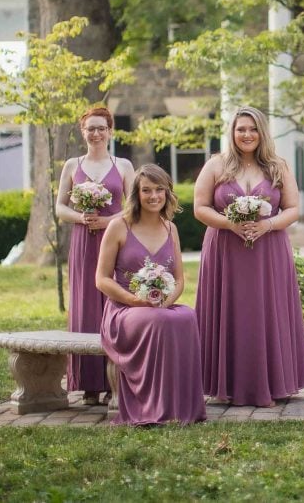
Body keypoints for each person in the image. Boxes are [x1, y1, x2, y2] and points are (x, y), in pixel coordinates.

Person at [193, 106, 304, 406]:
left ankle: (273, 382)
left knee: (266, 309)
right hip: (225, 251)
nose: (247, 135)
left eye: (253, 129)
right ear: (232, 133)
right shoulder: (216, 166)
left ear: (262, 132)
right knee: (230, 309)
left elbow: (293, 209)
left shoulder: (277, 166)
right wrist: (229, 224)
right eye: (240, 129)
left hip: (268, 252)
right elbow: (200, 208)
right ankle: (225, 383)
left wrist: (267, 224)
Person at [95, 164, 206, 426]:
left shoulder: (171, 229)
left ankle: (181, 406)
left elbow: (179, 279)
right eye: (146, 190)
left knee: (187, 315)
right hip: (124, 309)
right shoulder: (118, 227)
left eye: (159, 190)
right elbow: (101, 279)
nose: (154, 196)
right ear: (136, 193)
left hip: (160, 305)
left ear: (167, 193)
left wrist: (166, 301)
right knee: (158, 321)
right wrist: (135, 300)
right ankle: (152, 407)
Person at [55, 106, 134, 405]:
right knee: (85, 303)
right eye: (91, 128)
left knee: (114, 303)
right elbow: (60, 207)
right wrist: (81, 217)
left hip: (115, 240)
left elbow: (132, 206)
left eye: (102, 128)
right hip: (84, 241)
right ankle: (88, 383)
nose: (97, 133)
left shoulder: (123, 165)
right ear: (83, 131)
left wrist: (109, 220)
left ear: (111, 131)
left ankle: (116, 380)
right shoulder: (73, 166)